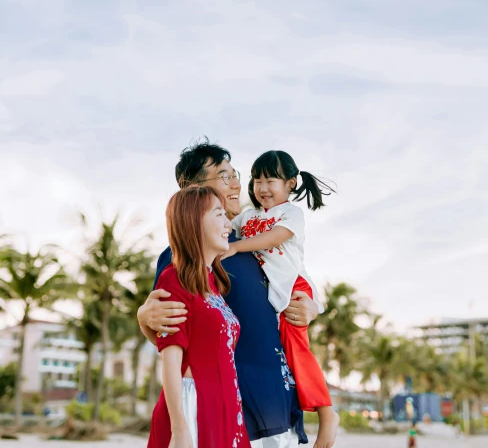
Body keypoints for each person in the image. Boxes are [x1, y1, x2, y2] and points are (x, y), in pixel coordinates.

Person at [138, 140, 320, 447]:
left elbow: (300, 282)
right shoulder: (181, 257)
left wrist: (313, 308)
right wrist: (144, 317)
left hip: (275, 398)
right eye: (224, 176)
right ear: (192, 191)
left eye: (235, 174)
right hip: (226, 404)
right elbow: (173, 336)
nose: (238, 183)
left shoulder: (256, 242)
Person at [223, 150, 339, 448]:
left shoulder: (291, 213)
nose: (262, 187)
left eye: (271, 179)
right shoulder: (248, 216)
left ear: (290, 183)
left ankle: (327, 415)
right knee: (285, 355)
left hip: (294, 289)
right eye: (257, 179)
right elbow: (224, 230)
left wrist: (237, 248)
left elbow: (274, 238)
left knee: (296, 350)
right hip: (273, 292)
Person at [148, 186, 248, 448]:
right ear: (193, 220)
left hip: (226, 405)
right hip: (194, 406)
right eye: (219, 214)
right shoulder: (174, 278)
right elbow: (171, 360)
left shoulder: (212, 282)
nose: (228, 224)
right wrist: (179, 429)